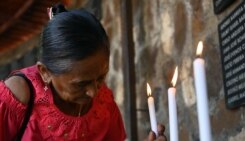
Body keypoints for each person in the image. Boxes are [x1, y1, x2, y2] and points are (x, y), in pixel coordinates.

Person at [0, 4, 167, 141]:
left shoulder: (103, 103)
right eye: (81, 84)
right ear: (45, 72)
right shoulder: (18, 96)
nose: (93, 91)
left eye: (101, 77)